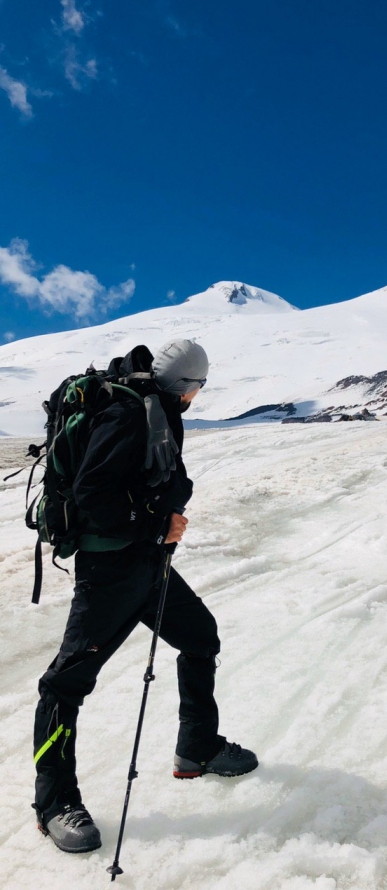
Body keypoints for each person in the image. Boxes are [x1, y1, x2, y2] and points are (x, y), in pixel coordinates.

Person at [32, 339, 257, 854]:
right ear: (188, 386)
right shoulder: (130, 415)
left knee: (201, 638)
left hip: (147, 565)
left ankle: (197, 748)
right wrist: (159, 522)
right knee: (64, 685)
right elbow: (94, 493)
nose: (198, 395)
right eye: (199, 387)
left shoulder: (159, 408)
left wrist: (165, 516)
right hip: (110, 573)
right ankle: (53, 802)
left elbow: (162, 480)